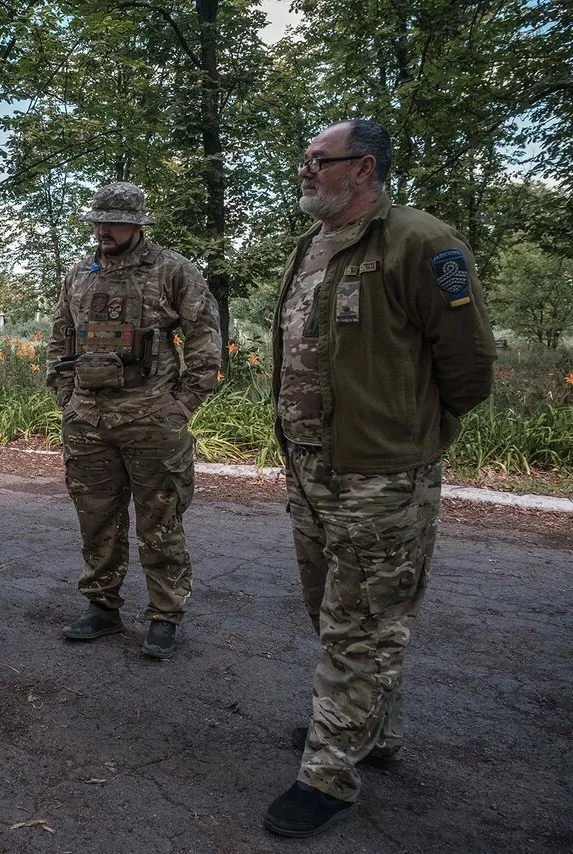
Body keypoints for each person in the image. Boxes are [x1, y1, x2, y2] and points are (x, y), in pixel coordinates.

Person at [263, 120, 495, 837]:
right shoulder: (311, 246)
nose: (305, 170)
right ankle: (373, 731)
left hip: (382, 478)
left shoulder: (421, 242)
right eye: (304, 159)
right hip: (311, 471)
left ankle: (329, 772)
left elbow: (470, 368)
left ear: (361, 169)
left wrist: (416, 434)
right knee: (329, 609)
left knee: (358, 628)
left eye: (317, 160)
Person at [46, 182, 222, 659]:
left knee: (160, 519)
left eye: (112, 222)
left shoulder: (172, 270)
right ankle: (101, 606)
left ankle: (165, 615)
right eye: (97, 221)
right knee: (96, 518)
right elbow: (61, 333)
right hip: (88, 420)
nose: (102, 229)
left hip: (152, 421)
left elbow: (205, 336)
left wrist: (183, 404)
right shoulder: (79, 272)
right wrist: (66, 394)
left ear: (137, 224)